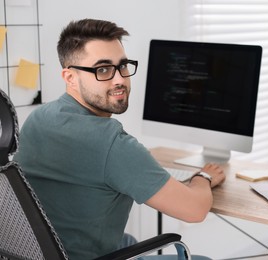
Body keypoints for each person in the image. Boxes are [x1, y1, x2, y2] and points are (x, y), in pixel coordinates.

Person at [14, 18, 225, 260]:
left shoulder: (38, 118)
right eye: (102, 69)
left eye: (122, 66)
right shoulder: (111, 144)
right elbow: (194, 210)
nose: (119, 80)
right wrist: (203, 177)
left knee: (129, 241)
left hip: (41, 253)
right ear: (70, 77)